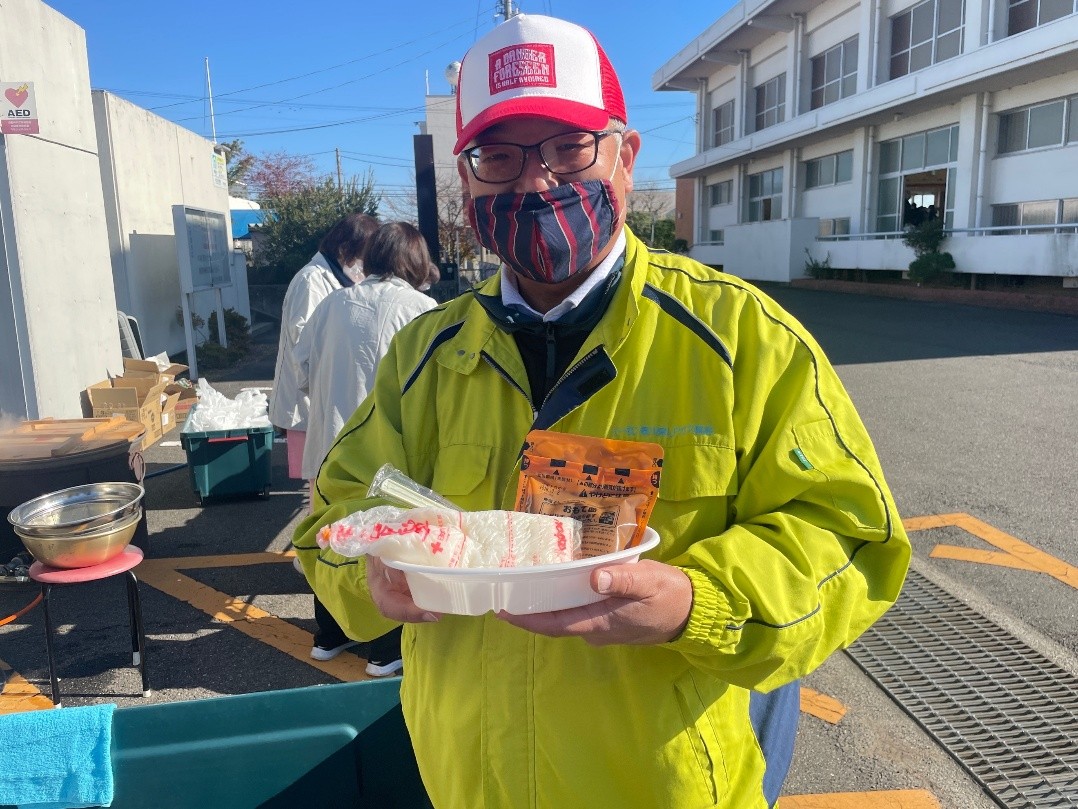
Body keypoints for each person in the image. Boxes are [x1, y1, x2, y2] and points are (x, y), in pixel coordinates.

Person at [294, 14, 910, 808]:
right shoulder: (423, 354)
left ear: (625, 154)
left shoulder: (742, 339)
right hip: (466, 786)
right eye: (499, 154)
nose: (534, 180)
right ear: (467, 178)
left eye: (567, 145)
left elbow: (849, 534)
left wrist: (701, 600)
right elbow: (332, 517)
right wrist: (372, 572)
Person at [293, 222, 437, 675]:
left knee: (331, 535)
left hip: (327, 447)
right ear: (415, 261)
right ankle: (383, 649)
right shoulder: (423, 309)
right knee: (386, 539)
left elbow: (300, 368)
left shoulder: (332, 302)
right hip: (383, 451)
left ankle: (329, 636)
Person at [270, 212, 378, 661]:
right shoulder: (313, 280)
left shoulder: (328, 278)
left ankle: (316, 559)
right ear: (346, 250)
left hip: (323, 403)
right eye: (363, 256)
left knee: (319, 488)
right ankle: (313, 557)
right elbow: (303, 344)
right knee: (318, 486)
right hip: (310, 405)